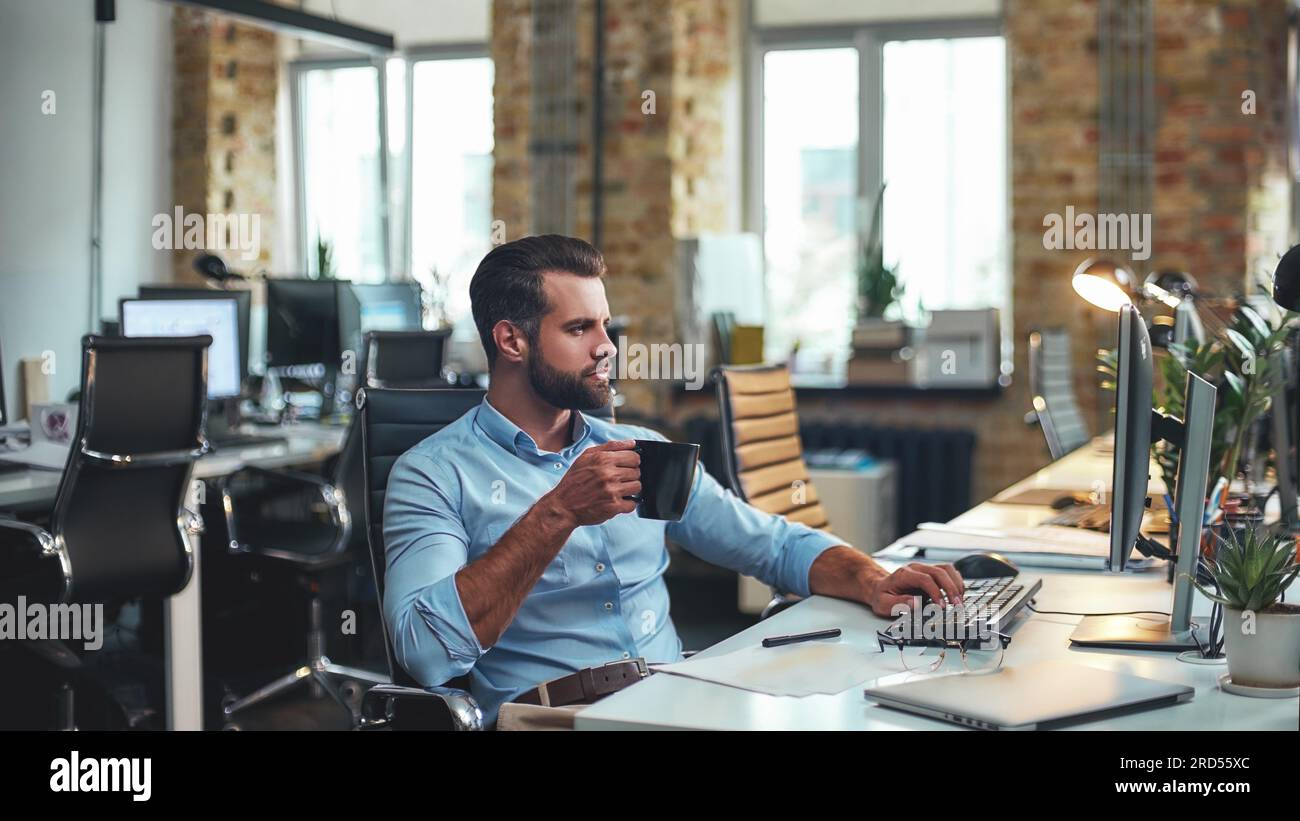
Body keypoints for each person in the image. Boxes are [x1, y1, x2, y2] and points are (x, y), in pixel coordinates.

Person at [382, 234, 963, 728]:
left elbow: (773, 544)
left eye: (605, 326)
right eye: (580, 328)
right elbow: (427, 653)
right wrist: (558, 512)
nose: (606, 346)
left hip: (678, 696)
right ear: (512, 341)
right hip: (555, 718)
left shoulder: (641, 450)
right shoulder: (433, 474)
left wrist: (872, 579)